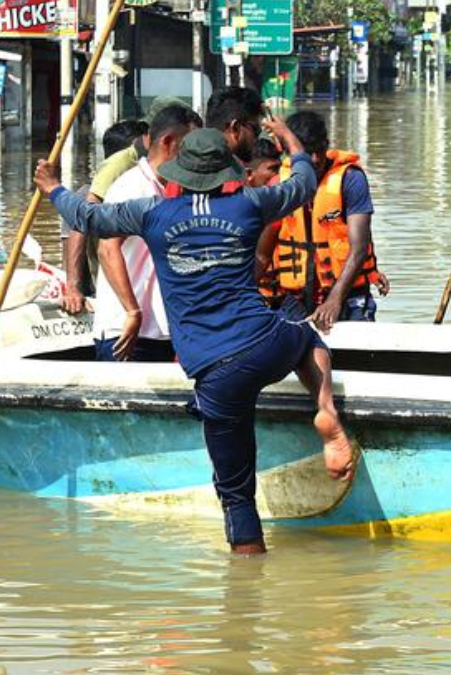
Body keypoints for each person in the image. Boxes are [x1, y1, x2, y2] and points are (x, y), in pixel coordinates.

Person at [36, 123, 355, 555]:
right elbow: (303, 184)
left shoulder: (152, 212)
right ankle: (324, 411)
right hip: (265, 342)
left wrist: (54, 188)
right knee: (306, 334)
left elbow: (87, 218)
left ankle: (244, 591)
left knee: (236, 494)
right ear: (228, 171)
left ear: (179, 172)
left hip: (214, 370)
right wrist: (290, 140)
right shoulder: (250, 204)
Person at [61, 98, 196, 314]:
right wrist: (73, 287)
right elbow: (83, 223)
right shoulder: (122, 167)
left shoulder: (168, 175)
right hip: (121, 295)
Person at [256, 111, 386, 329]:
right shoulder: (279, 185)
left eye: (319, 150)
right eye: (308, 153)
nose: (315, 159)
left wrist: (334, 299)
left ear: (327, 144)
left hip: (347, 295)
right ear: (292, 152)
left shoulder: (351, 179)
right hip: (294, 299)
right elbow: (263, 253)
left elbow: (359, 247)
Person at [93, 105, 202, 362]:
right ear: (168, 142)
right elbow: (107, 249)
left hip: (160, 331)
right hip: (126, 331)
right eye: (190, 146)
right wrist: (132, 311)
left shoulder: (169, 190)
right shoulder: (133, 186)